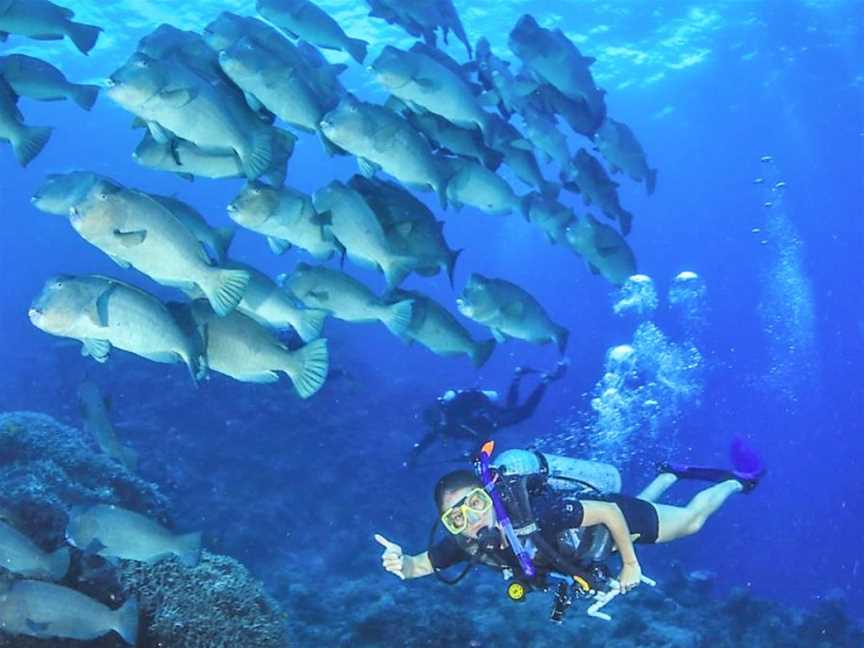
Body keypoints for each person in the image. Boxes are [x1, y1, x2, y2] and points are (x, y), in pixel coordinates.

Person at [376, 445, 764, 595]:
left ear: (489, 496)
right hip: (594, 544)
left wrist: (631, 564)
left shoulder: (536, 515)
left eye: (475, 503)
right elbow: (418, 566)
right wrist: (402, 564)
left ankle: (734, 481)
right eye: (457, 517)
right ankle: (670, 472)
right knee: (647, 507)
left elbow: (610, 513)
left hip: (613, 520)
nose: (472, 520)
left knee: (692, 521)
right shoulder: (469, 543)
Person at [407, 361, 568, 466]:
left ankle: (543, 381)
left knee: (524, 412)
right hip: (485, 412)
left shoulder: (452, 421)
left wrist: (473, 453)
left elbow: (483, 437)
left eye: (437, 423)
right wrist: (415, 454)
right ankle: (518, 377)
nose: (438, 427)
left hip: (489, 417)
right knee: (510, 408)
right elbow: (427, 439)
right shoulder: (442, 426)